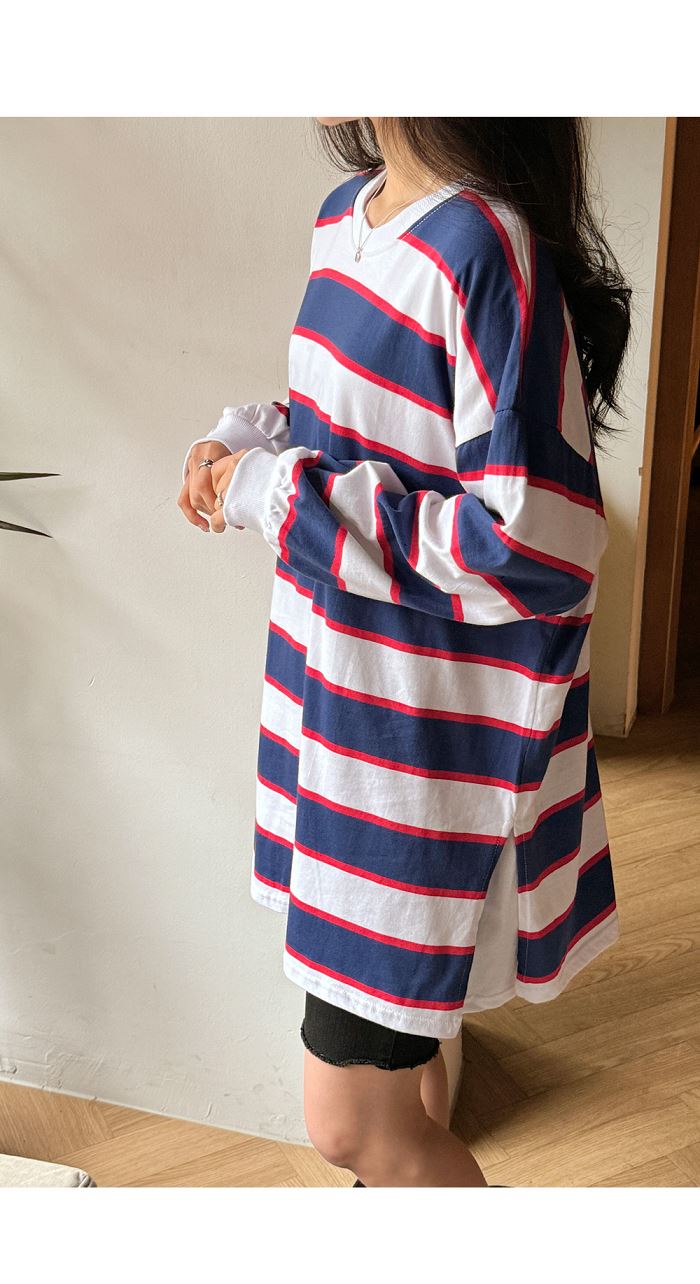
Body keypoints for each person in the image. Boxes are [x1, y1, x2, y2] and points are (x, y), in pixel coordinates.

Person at [178, 117, 632, 1188]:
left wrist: (282, 496)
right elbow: (362, 426)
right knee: (402, 1084)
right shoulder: (347, 217)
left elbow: (539, 541)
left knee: (351, 1124)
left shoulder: (481, 247)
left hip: (419, 756)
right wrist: (252, 441)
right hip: (337, 719)